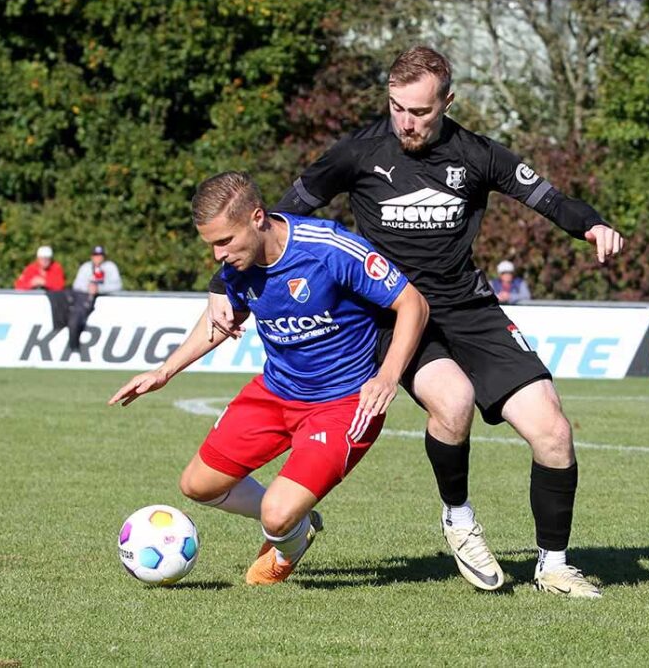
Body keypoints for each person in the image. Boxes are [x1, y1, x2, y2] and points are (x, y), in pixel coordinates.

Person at [207, 47, 624, 598]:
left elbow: (545, 196)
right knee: (451, 403)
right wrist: (222, 286)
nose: (406, 121)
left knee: (553, 431)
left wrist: (591, 225)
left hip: (470, 308)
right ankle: (459, 518)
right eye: (397, 107)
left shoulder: (476, 153)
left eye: (421, 111)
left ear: (447, 103)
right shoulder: (358, 150)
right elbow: (279, 218)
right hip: (393, 314)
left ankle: (553, 566)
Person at [110, 171, 428, 586]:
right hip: (276, 392)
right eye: (211, 245)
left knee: (276, 516)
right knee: (196, 485)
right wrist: (164, 371)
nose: (218, 256)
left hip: (343, 403)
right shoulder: (237, 267)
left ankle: (286, 543)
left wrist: (388, 376)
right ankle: (298, 521)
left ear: (258, 218)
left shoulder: (327, 248)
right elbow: (221, 319)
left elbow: (413, 303)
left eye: (224, 241)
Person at [67, 245, 123, 351]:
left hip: (106, 302)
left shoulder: (110, 267)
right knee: (75, 319)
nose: (98, 258)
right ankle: (74, 348)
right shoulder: (86, 267)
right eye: (95, 255)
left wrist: (99, 289)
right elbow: (77, 285)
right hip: (85, 300)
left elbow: (118, 285)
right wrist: (89, 288)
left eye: (100, 255)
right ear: (91, 256)